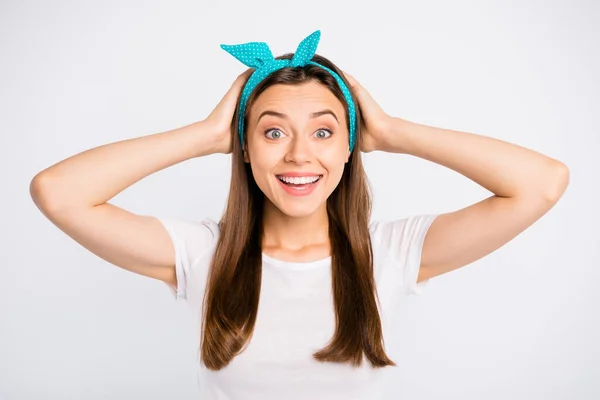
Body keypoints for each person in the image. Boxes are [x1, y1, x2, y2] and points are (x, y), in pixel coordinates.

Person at [29, 30, 569, 399]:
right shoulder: (201, 254)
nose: (298, 155)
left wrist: (392, 131)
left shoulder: (392, 252)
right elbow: (57, 192)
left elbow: (542, 184)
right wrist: (205, 135)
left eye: (324, 131)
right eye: (272, 131)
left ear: (350, 146)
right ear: (244, 146)